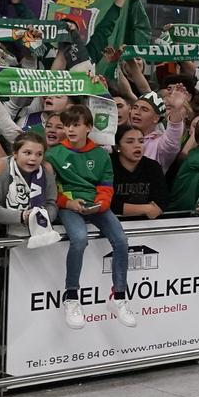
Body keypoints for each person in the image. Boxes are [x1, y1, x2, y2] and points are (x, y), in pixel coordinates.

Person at [47, 104, 140, 330]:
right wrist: (68, 203)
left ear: (88, 127)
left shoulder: (100, 154)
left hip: (97, 205)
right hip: (68, 205)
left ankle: (118, 297)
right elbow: (50, 190)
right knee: (79, 239)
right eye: (67, 125)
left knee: (121, 241)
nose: (70, 129)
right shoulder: (53, 154)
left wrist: (100, 205)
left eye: (76, 125)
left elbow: (106, 184)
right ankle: (71, 298)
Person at [110, 124, 169, 219]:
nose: (137, 146)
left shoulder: (153, 166)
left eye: (141, 141)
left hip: (146, 224)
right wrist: (145, 209)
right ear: (117, 147)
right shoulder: (108, 166)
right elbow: (108, 203)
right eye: (130, 142)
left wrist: (155, 209)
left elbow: (162, 201)